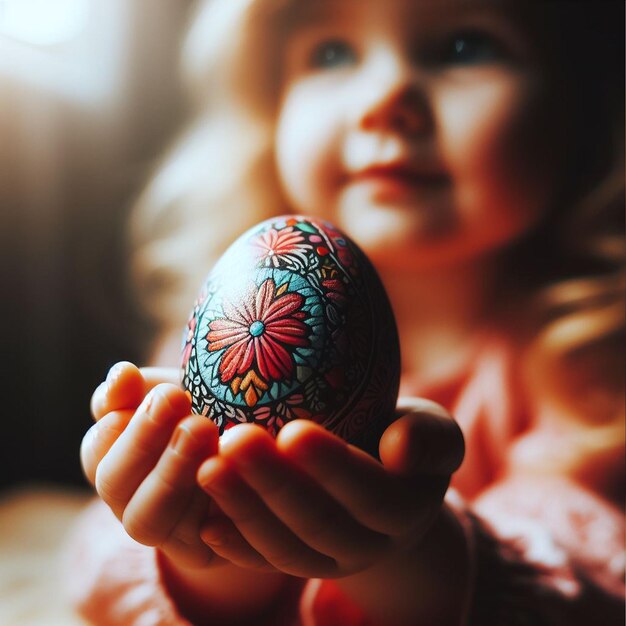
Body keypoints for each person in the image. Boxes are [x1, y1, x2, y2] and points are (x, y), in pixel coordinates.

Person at [65, 0, 625, 624]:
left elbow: (594, 579)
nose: (384, 97)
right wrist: (214, 556)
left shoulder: (584, 361)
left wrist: (412, 560)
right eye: (330, 53)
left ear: (583, 106)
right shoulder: (250, 321)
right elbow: (99, 558)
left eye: (465, 46)